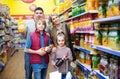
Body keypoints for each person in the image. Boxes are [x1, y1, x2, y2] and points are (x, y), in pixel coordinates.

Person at [24, 7, 49, 79]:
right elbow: (24, 36)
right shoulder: (28, 24)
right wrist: (22, 32)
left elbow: (47, 37)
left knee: (39, 73)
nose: (39, 14)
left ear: (43, 14)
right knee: (28, 72)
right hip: (29, 53)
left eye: (40, 13)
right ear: (34, 14)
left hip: (41, 55)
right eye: (37, 13)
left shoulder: (46, 25)